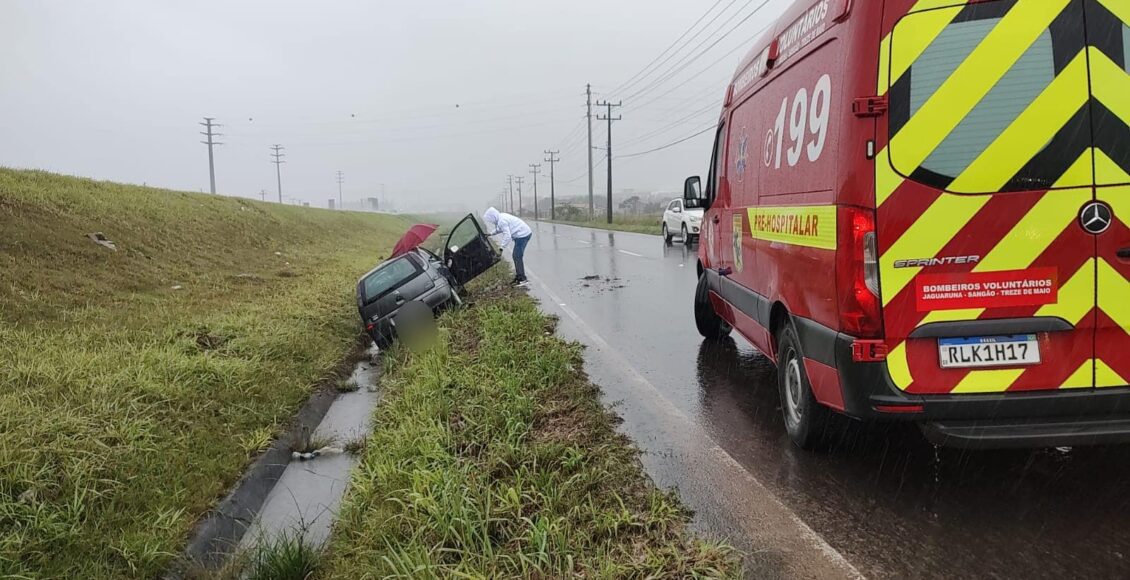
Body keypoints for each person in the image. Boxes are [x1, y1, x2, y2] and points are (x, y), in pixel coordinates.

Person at [482, 207, 532, 286]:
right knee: (516, 256)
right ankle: (519, 276)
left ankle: (522, 279)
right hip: (522, 234)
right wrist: (490, 234)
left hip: (523, 235)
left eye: (490, 219)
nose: (491, 221)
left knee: (517, 256)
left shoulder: (502, 220)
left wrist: (501, 248)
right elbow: (499, 229)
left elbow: (507, 236)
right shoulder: (501, 217)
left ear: (493, 217)